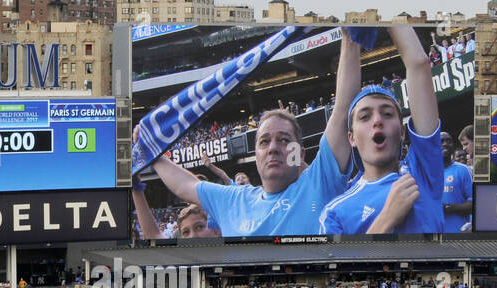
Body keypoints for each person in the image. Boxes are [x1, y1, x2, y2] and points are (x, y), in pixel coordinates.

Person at [146, 32, 365, 237]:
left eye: (284, 140)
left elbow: (344, 108)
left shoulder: (320, 182)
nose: (273, 147)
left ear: (299, 153)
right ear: (256, 153)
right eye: (264, 141)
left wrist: (349, 38)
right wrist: (150, 150)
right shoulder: (234, 200)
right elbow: (184, 186)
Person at [319, 26, 444, 235]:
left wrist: (386, 8)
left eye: (387, 114)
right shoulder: (335, 212)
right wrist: (385, 219)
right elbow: (338, 268)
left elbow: (419, 64)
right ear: (351, 138)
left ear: (402, 132)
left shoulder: (423, 172)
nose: (377, 120)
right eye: (365, 117)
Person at [440, 131, 474, 233]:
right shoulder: (426, 173)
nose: (445, 144)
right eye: (441, 141)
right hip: (432, 235)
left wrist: (448, 207)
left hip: (458, 235)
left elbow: (475, 204)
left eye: (448, 141)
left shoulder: (463, 170)